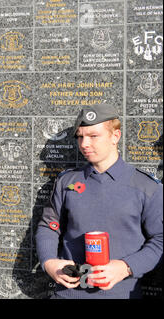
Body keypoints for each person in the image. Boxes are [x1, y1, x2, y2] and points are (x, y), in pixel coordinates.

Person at [35, 103, 163, 299]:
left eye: (93, 136)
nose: (84, 144)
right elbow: (49, 226)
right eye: (80, 136)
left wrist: (126, 267)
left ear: (115, 136)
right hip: (66, 295)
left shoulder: (146, 187)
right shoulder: (67, 181)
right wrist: (48, 262)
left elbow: (160, 240)